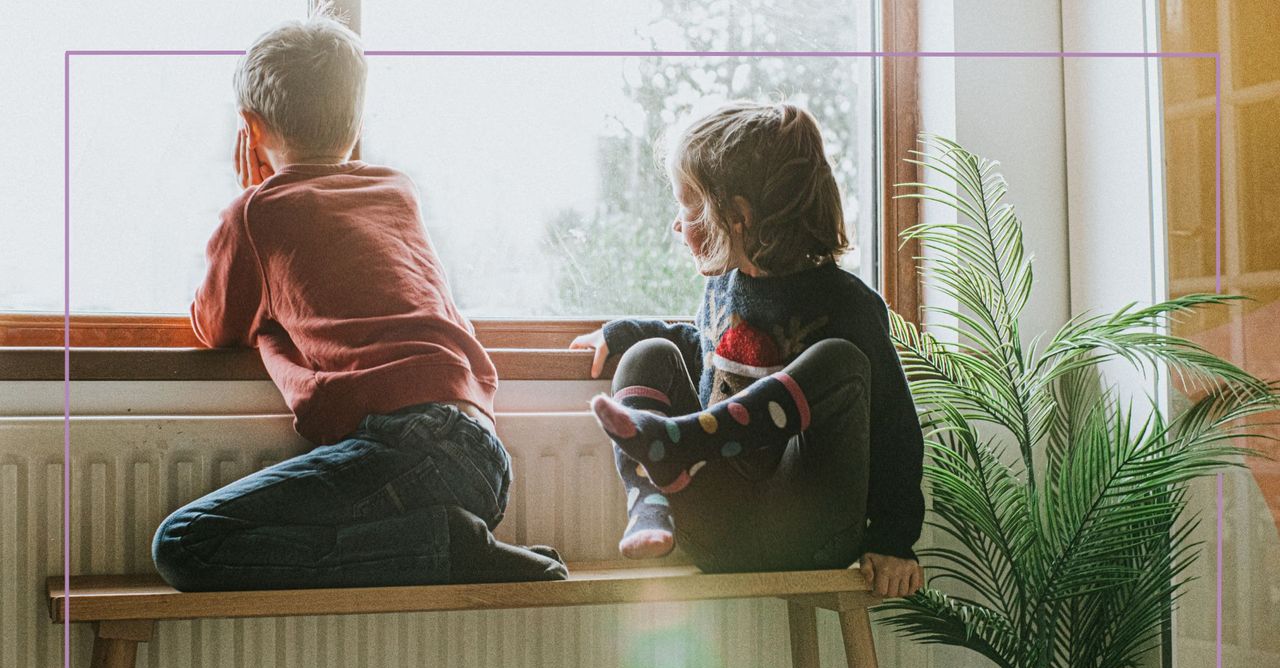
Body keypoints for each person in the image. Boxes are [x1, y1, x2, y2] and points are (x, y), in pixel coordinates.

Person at [152, 9, 566, 592]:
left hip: (410, 447)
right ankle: (444, 542)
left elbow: (214, 326)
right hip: (483, 453)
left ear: (249, 126)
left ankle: (443, 547)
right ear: (356, 119)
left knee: (184, 543)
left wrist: (252, 199)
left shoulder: (257, 212)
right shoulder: (397, 189)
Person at [570, 101, 924, 598]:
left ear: (737, 216)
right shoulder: (722, 292)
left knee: (840, 362)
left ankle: (682, 442)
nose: (677, 224)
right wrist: (624, 332)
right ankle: (651, 500)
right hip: (714, 528)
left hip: (808, 531)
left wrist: (894, 539)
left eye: (687, 205)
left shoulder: (848, 305)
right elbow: (705, 351)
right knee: (647, 354)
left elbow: (894, 429)